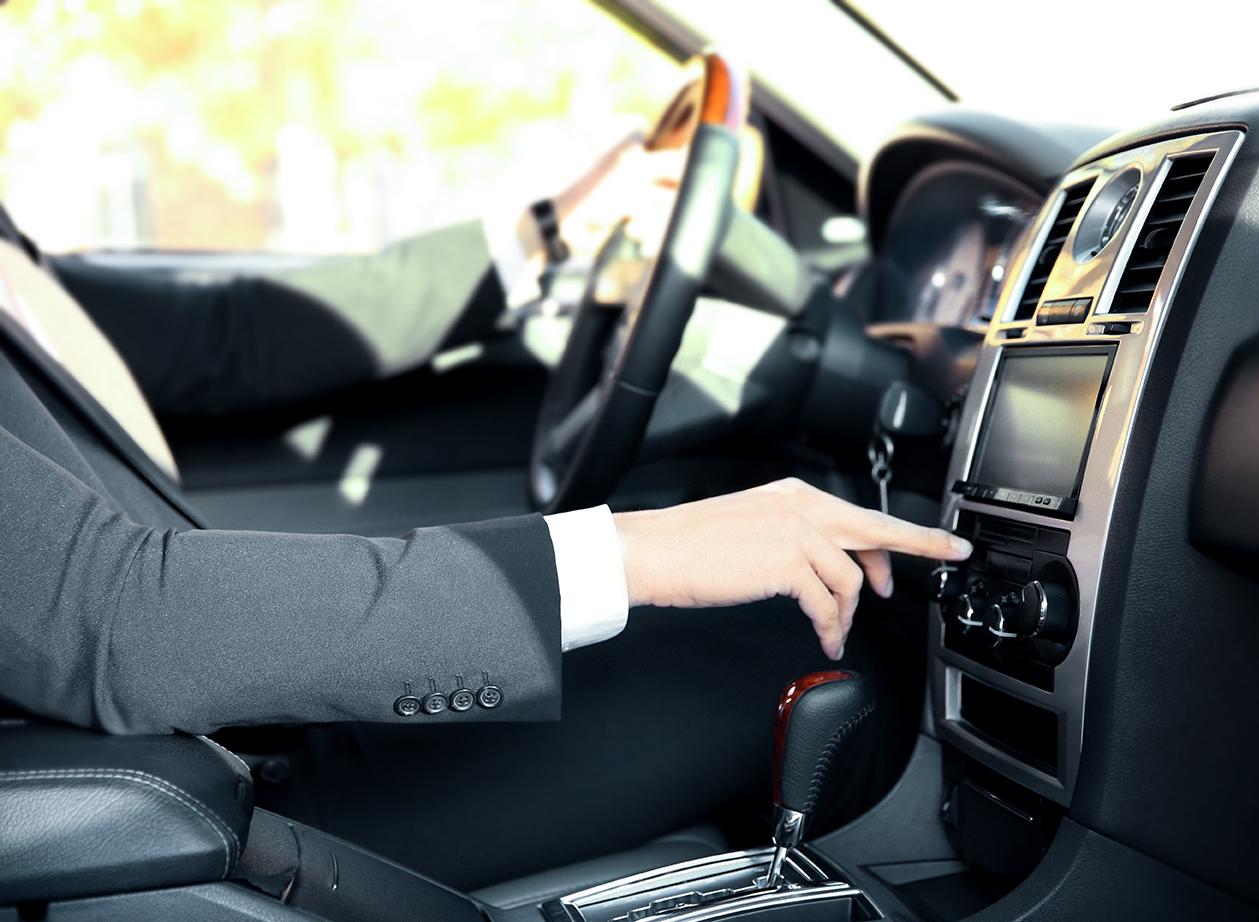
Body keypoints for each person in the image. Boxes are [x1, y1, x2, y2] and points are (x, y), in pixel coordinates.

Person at [0, 38, 971, 886]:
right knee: (789, 651)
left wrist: (548, 232)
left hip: (199, 718)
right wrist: (639, 556)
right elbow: (107, 616)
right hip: (157, 803)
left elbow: (223, 337)